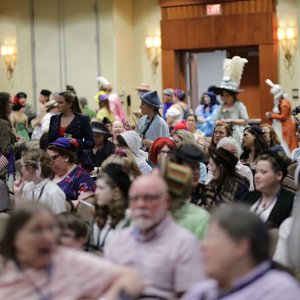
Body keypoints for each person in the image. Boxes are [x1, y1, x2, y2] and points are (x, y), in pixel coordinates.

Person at [0, 202, 144, 299]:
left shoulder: (68, 261)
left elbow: (132, 278)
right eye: (37, 230)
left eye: (51, 229)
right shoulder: (5, 273)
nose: (49, 237)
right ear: (14, 237)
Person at [105, 174, 205, 299]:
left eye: (149, 198)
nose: (141, 204)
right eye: (135, 199)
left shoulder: (184, 243)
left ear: (167, 201)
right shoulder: (118, 241)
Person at [182, 204, 300, 300]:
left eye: (211, 238)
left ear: (241, 246)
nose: (202, 246)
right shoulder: (203, 289)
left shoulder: (280, 291)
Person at [242, 151, 294, 229]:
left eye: (263, 172)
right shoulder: (248, 196)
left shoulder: (291, 202)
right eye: (256, 172)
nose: (257, 176)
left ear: (279, 175)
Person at [47, 89, 95, 171]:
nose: (57, 105)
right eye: (57, 102)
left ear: (69, 104)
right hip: (56, 161)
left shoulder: (82, 119)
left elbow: (91, 143)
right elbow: (49, 140)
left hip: (76, 161)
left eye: (60, 102)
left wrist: (77, 142)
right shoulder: (54, 119)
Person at [88, 163, 131, 253]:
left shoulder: (129, 219)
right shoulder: (99, 213)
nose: (96, 193)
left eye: (101, 188)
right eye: (97, 188)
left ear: (116, 192)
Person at [13, 149, 66, 214]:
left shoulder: (54, 193)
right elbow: (21, 216)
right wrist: (17, 194)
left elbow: (60, 221)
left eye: (21, 166)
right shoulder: (27, 187)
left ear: (30, 168)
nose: (20, 170)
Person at [47, 137, 95, 209]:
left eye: (54, 158)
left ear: (66, 157)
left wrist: (58, 205)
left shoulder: (82, 177)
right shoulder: (49, 173)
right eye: (48, 158)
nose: (50, 162)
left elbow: (83, 205)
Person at [215, 56, 249, 144]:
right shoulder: (221, 106)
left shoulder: (239, 105)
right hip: (223, 132)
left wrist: (231, 121)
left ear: (232, 96)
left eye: (227, 95)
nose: (225, 97)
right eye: (223, 95)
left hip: (236, 133)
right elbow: (215, 120)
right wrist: (222, 122)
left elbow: (245, 120)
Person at [265, 79, 298, 155]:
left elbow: (283, 116)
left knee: (285, 142)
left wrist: (272, 115)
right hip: (278, 126)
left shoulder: (284, 103)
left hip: (285, 126)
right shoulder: (279, 102)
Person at [0, 92, 17, 211]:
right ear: (3, 105)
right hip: (4, 168)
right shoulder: (3, 123)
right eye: (9, 102)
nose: (12, 104)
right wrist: (19, 145)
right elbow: (6, 148)